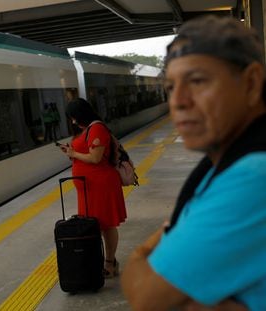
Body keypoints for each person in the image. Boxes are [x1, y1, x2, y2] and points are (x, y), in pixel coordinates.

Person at [121, 15, 266, 311]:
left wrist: (139, 255)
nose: (178, 102)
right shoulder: (227, 161)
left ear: (251, 83)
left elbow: (145, 299)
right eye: (171, 87)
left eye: (197, 81)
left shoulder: (254, 177)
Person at [60, 98, 127, 277]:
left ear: (82, 114)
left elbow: (96, 158)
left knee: (106, 225)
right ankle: (100, 261)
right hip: (88, 189)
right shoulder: (87, 130)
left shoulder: (97, 128)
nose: (73, 121)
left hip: (101, 186)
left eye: (74, 117)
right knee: (95, 226)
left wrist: (74, 153)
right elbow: (85, 155)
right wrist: (71, 153)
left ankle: (110, 263)